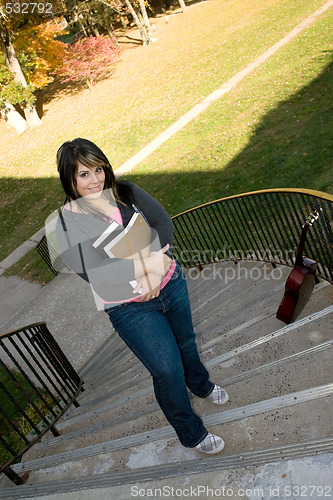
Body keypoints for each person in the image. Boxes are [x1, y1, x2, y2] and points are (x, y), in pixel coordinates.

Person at [53, 137, 229, 454]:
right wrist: (146, 268)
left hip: (170, 283)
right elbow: (92, 271)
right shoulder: (68, 223)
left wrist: (151, 270)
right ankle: (191, 433)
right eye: (83, 174)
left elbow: (161, 223)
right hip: (128, 308)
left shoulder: (127, 192)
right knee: (167, 369)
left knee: (187, 342)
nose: (94, 180)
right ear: (69, 179)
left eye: (97, 169)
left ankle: (201, 384)